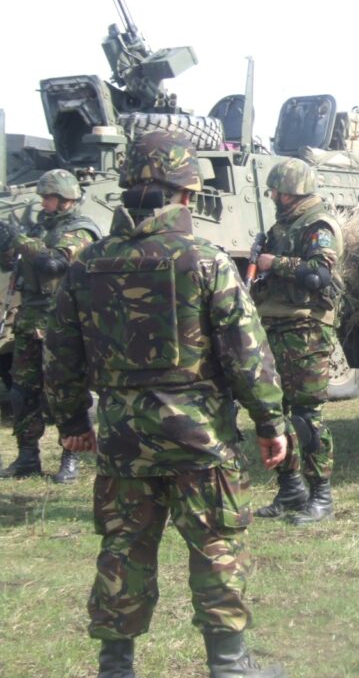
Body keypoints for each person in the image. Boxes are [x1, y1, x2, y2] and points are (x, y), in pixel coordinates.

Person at [43, 131, 289, 678]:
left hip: (123, 442)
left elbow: (59, 354)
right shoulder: (206, 260)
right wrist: (271, 422)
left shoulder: (86, 265)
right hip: (199, 441)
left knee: (123, 550)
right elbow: (248, 356)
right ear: (186, 192)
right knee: (215, 546)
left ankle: (115, 666)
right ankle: (229, 665)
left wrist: (71, 421)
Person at [251, 157, 344, 527]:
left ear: (292, 191)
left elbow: (319, 275)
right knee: (276, 412)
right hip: (274, 325)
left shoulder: (318, 225)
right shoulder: (281, 225)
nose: (272, 194)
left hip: (306, 330)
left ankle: (321, 495)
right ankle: (290, 488)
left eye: (277, 189)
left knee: (306, 416)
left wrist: (275, 263)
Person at [0, 169, 101, 482]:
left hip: (62, 323)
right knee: (22, 391)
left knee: (63, 392)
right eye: (43, 197)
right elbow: (12, 264)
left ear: (67, 199)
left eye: (50, 197)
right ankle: (27, 457)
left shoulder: (81, 230)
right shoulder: (39, 228)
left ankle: (70, 459)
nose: (44, 202)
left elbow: (53, 263)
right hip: (30, 320)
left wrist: (19, 239)